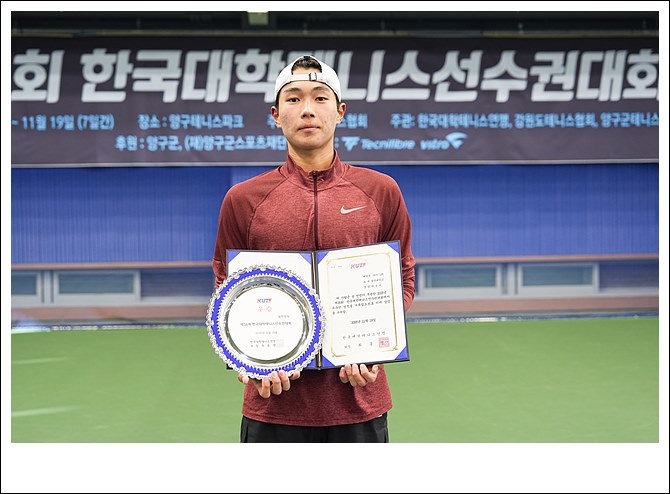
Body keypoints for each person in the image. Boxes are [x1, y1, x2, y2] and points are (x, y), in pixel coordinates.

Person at [212, 55, 415, 442]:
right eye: (293, 99)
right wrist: (247, 358)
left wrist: (375, 346)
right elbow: (227, 286)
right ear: (276, 115)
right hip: (273, 403)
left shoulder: (381, 191)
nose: (307, 109)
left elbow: (403, 277)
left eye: (320, 98)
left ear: (340, 112)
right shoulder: (243, 199)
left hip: (359, 402)